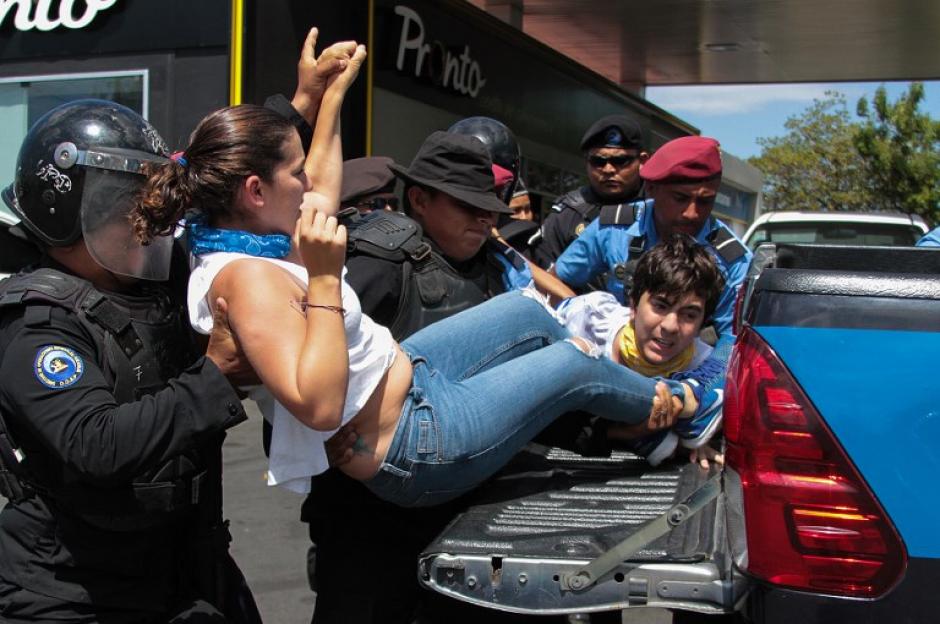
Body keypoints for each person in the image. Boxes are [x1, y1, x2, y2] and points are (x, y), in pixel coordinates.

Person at [129, 41, 704, 508]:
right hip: (413, 440)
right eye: (295, 174)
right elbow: (317, 406)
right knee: (574, 360)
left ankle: (629, 411)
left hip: (415, 378)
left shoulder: (251, 233)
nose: (309, 186)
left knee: (531, 312)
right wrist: (327, 282)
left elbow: (327, 182)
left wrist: (330, 98)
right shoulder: (248, 278)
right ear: (256, 191)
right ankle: (684, 406)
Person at [0, 99, 257, 624]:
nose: (144, 223)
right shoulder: (34, 321)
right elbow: (97, 442)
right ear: (65, 208)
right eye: (124, 204)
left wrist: (298, 110)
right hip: (72, 594)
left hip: (180, 567)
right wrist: (216, 377)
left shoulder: (151, 288)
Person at [550, 136, 751, 440]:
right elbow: (559, 278)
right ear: (652, 189)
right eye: (681, 198)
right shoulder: (614, 227)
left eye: (706, 201)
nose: (693, 213)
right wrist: (584, 317)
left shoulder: (732, 259)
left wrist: (694, 391)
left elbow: (734, 342)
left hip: (680, 377)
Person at [542, 235, 726, 467]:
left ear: (702, 323)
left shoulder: (704, 366)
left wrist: (696, 440)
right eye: (661, 305)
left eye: (689, 315)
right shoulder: (587, 318)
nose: (670, 326)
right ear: (633, 305)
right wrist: (623, 431)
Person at [530, 114, 649, 270]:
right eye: (598, 161)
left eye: (620, 161)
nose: (608, 169)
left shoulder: (660, 206)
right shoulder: (567, 214)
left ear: (643, 161)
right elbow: (545, 276)